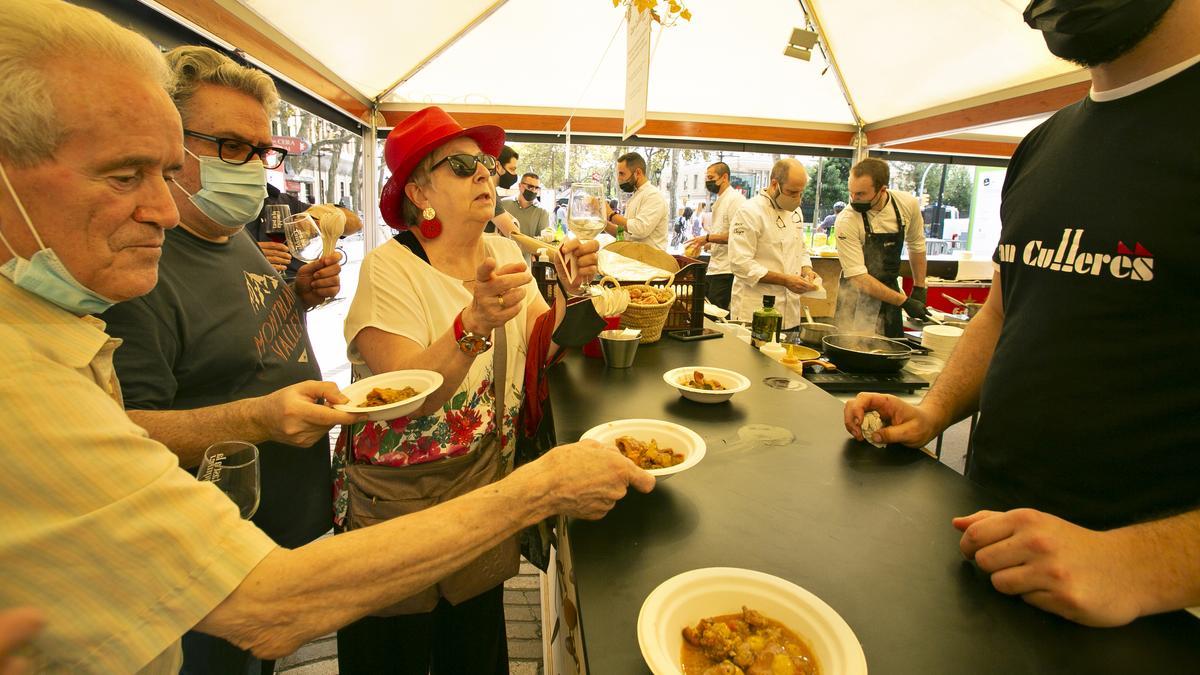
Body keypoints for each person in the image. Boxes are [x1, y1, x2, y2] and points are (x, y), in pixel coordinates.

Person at [0, 8, 652, 673]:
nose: (163, 208)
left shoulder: (222, 243)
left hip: (329, 523)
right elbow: (271, 594)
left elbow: (538, 352)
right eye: (123, 172)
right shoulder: (53, 352)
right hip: (311, 544)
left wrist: (574, 299)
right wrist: (534, 475)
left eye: (260, 151)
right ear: (419, 192)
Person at [844, 0, 1200, 628]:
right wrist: (934, 409)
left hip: (1150, 611)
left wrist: (1138, 564)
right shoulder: (1044, 143)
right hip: (985, 540)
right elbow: (1004, 312)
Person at [94, 44, 357, 674]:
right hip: (206, 573)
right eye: (231, 147)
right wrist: (260, 419)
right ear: (167, 143)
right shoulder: (140, 271)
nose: (253, 168)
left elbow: (236, 338)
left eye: (262, 151)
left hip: (274, 540)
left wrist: (296, 297)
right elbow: (123, 434)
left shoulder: (231, 232)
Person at [343, 105, 604, 673]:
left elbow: (544, 346)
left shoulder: (506, 252)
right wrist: (471, 326)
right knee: (396, 657)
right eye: (462, 166)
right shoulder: (389, 269)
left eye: (486, 163)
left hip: (483, 490)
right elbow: (405, 397)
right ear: (419, 190)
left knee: (474, 654)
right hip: (400, 509)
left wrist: (571, 288)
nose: (485, 174)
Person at [831, 158, 929, 336]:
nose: (854, 199)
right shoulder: (847, 220)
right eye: (851, 193)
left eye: (860, 194)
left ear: (882, 189)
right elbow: (858, 277)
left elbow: (916, 246)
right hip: (856, 295)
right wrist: (904, 302)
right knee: (853, 347)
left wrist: (919, 287)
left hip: (890, 290)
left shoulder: (907, 205)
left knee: (890, 349)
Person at [728, 158, 819, 328]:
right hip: (755, 309)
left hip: (790, 312)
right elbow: (740, 263)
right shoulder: (750, 211)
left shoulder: (795, 211)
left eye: (801, 192)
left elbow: (800, 248)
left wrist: (806, 269)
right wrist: (785, 280)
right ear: (774, 184)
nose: (797, 198)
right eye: (792, 192)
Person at [246, 182, 363, 276]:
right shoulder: (230, 220)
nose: (259, 161)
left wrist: (314, 220)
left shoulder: (282, 201)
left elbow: (355, 223)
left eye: (263, 155)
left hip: (295, 294)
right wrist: (244, 259)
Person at [684, 161, 746, 310]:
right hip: (715, 267)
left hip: (727, 270)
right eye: (706, 178)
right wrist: (707, 244)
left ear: (724, 177)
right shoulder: (720, 200)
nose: (707, 181)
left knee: (716, 314)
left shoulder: (735, 200)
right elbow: (722, 233)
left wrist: (707, 238)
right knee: (704, 310)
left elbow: (737, 235)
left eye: (711, 177)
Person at [602, 151, 668, 249]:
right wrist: (601, 222)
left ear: (637, 173)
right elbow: (624, 235)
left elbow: (640, 229)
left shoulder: (653, 196)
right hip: (634, 259)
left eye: (622, 174)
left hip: (649, 261)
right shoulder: (635, 197)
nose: (619, 178)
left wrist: (610, 214)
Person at [498, 171, 549, 240]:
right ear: (520, 186)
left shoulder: (542, 212)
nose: (533, 191)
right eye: (530, 186)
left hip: (527, 250)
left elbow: (542, 240)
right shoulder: (504, 204)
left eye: (536, 188)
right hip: (505, 249)